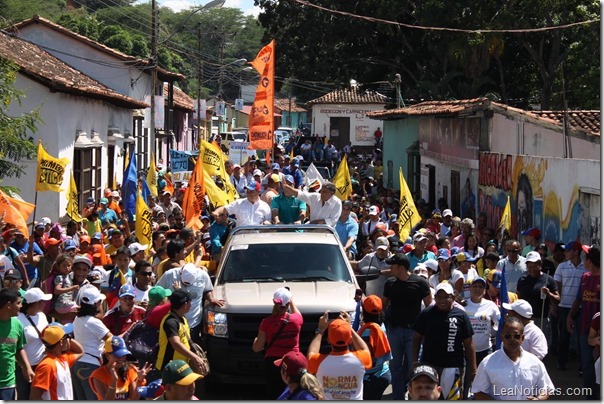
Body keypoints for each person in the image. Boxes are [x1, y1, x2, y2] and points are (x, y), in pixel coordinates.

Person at [412, 282, 476, 400]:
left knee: (452, 398)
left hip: (453, 366)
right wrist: (415, 361)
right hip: (429, 364)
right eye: (439, 297)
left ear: (453, 297)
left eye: (446, 297)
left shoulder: (461, 315)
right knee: (429, 397)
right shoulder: (426, 313)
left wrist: (473, 368)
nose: (442, 300)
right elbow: (416, 338)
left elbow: (469, 344)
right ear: (435, 298)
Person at [381, 253, 431, 399]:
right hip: (394, 331)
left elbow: (429, 307)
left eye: (393, 265)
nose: (390, 268)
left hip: (413, 333)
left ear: (401, 268)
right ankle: (398, 397)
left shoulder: (420, 283)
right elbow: (383, 304)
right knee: (395, 366)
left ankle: (413, 396)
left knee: (412, 366)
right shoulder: (389, 283)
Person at [471, 316, 555, 400]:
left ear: (522, 338)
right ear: (502, 337)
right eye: (507, 336)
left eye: (516, 336)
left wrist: (538, 399)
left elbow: (546, 389)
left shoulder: (535, 363)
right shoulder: (487, 363)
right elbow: (478, 392)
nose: (512, 339)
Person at [252, 287, 303, 399]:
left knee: (275, 396)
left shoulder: (266, 322)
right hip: (293, 362)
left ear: (274, 302)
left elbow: (258, 348)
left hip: (273, 364)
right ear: (289, 303)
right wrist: (291, 299)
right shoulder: (297, 319)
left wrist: (255, 342)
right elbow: (297, 313)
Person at [307, 314, 372, 400]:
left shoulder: (319, 362)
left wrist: (320, 330)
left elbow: (311, 353)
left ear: (329, 340)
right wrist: (349, 328)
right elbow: (364, 349)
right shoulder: (361, 359)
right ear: (350, 339)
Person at [156, 263, 223, 343]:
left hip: (194, 323)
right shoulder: (169, 275)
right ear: (180, 272)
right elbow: (158, 291)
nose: (186, 286)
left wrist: (211, 299)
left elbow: (207, 290)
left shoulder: (203, 276)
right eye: (184, 283)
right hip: (173, 323)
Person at [567, 244, 600, 399]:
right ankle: (590, 397)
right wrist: (570, 316)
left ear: (590, 260)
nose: (583, 259)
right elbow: (579, 299)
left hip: (599, 332)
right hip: (584, 328)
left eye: (585, 256)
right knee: (587, 365)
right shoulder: (585, 277)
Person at [154, 290, 208, 376]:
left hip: (181, 368)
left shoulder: (182, 318)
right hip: (169, 369)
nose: (191, 304)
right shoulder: (170, 322)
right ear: (185, 305)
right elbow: (176, 343)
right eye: (190, 302)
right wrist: (195, 358)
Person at [72, 287, 112, 400]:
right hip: (91, 365)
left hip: (77, 363)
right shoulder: (94, 322)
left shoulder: (77, 319)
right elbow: (112, 340)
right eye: (100, 302)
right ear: (96, 304)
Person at [30, 323, 84, 400]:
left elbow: (80, 352)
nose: (69, 339)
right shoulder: (47, 365)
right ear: (61, 342)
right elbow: (34, 398)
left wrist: (66, 339)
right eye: (67, 337)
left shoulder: (62, 359)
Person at [554, 240, 585, 371]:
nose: (564, 253)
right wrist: (555, 303)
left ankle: (582, 366)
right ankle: (561, 364)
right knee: (564, 338)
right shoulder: (562, 267)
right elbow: (557, 286)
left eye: (568, 250)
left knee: (581, 338)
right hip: (564, 307)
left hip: (580, 308)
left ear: (576, 252)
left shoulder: (586, 267)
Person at [16, 288, 52, 400]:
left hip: (42, 365)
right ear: (36, 303)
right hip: (24, 368)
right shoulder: (17, 319)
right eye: (43, 301)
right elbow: (17, 347)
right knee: (25, 397)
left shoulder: (42, 316)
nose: (45, 303)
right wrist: (25, 367)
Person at [89, 335, 151, 400]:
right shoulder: (98, 375)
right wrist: (114, 381)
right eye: (117, 355)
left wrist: (139, 381)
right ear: (107, 356)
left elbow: (133, 399)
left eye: (123, 355)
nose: (121, 358)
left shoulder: (130, 370)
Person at [516, 251, 559, 342]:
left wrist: (548, 294)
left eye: (534, 266)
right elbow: (518, 297)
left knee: (541, 344)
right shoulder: (522, 279)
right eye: (529, 267)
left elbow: (558, 299)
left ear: (540, 264)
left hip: (542, 318)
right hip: (525, 319)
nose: (531, 269)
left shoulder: (548, 279)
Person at [0, 288, 35, 400]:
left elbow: (19, 348)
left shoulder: (17, 324)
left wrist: (27, 367)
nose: (21, 306)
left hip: (8, 384)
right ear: (9, 305)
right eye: (18, 303)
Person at [357, 295, 392, 400]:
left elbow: (368, 360)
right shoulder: (381, 326)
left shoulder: (367, 332)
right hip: (382, 374)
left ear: (364, 312)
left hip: (372, 378)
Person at [464, 277, 500, 365]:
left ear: (484, 290)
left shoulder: (490, 305)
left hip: (485, 350)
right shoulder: (463, 304)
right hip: (465, 350)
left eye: (480, 287)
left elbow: (499, 323)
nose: (477, 289)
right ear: (470, 288)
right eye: (475, 286)